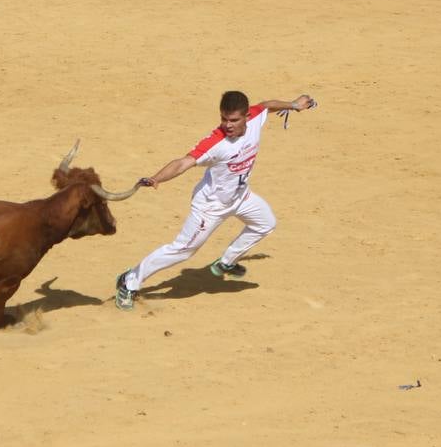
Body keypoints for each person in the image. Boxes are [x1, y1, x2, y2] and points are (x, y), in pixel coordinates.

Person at [112, 90, 317, 311]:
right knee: (183, 250)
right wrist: (155, 178)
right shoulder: (215, 143)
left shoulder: (257, 116)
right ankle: (130, 280)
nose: (227, 125)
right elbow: (183, 162)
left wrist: (293, 105)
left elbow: (267, 105)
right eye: (224, 119)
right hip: (210, 207)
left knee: (266, 223)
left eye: (234, 120)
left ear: (247, 116)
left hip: (240, 197)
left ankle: (226, 262)